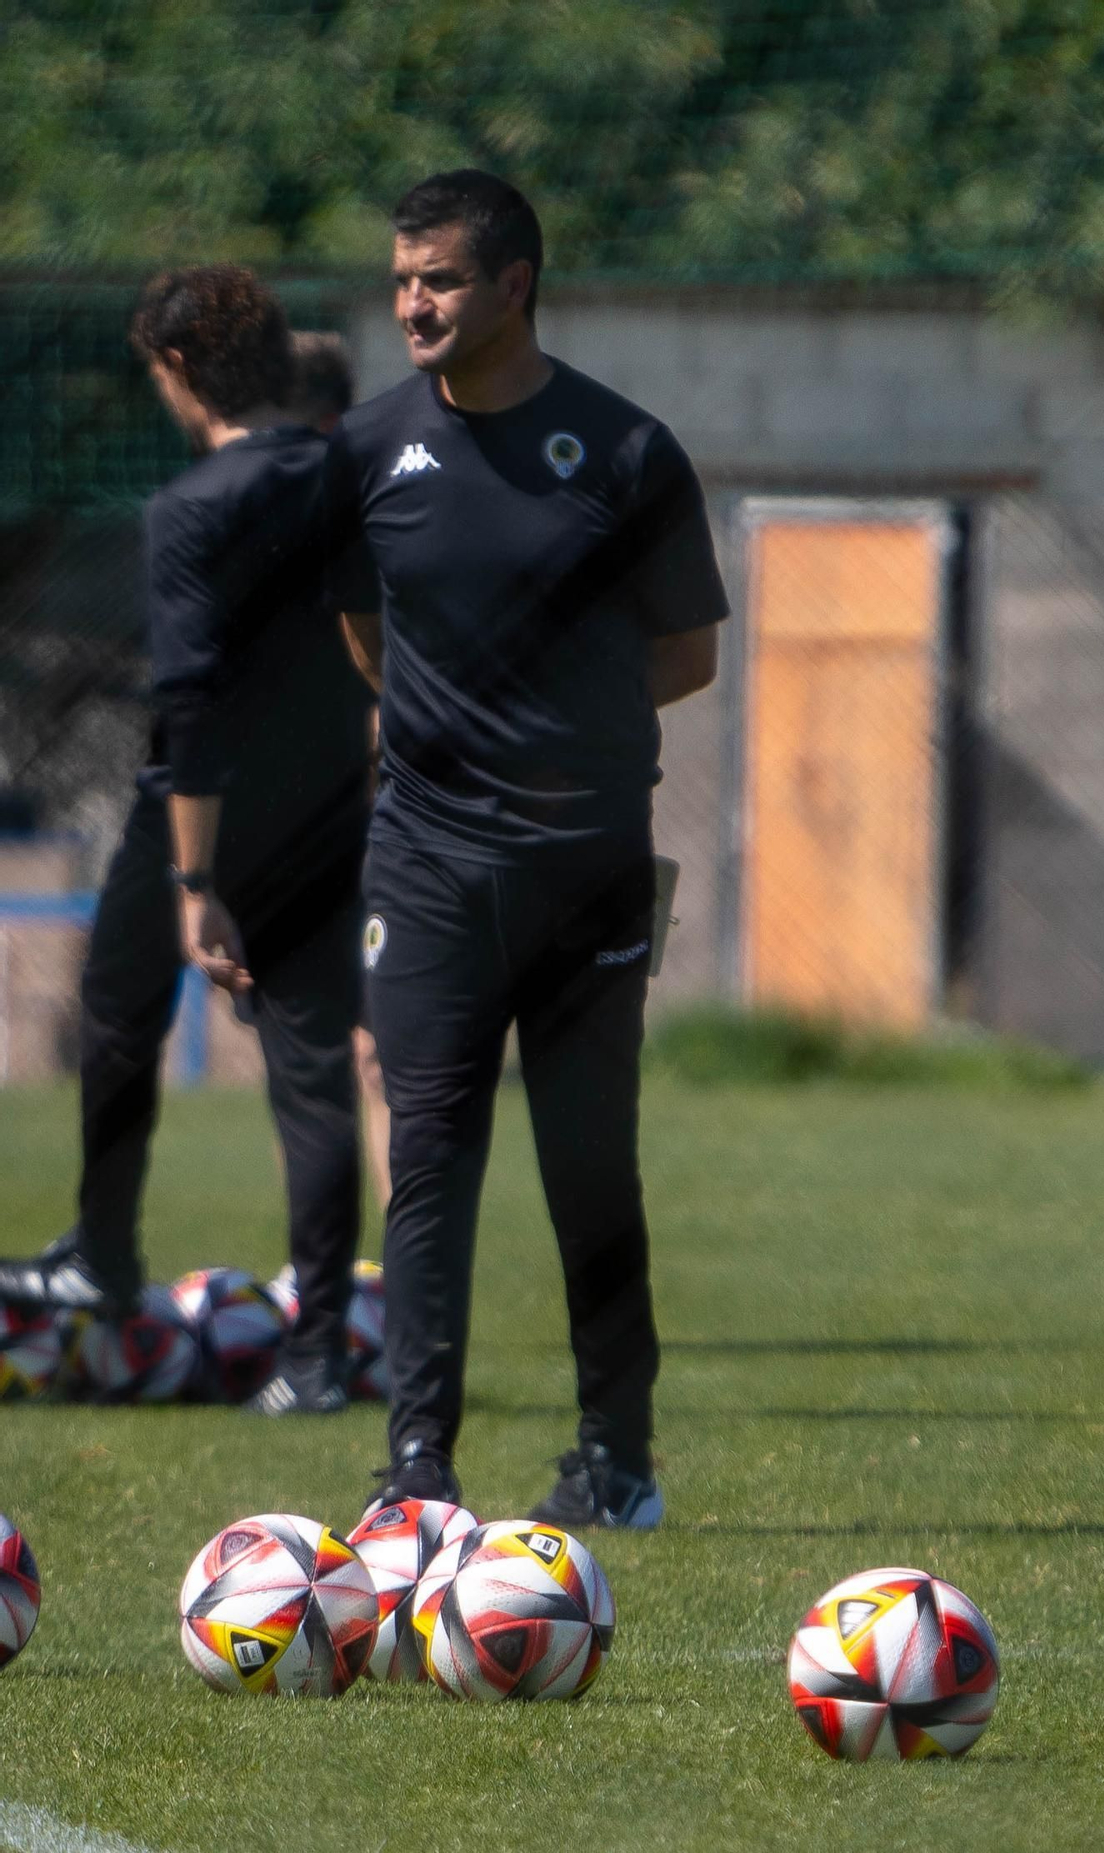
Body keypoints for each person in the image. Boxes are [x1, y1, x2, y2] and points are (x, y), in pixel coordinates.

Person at [329, 170, 728, 1527]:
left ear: (516, 284)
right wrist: (454, 733)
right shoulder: (370, 451)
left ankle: (617, 1458)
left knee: (587, 1164)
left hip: (587, 865)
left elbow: (688, 654)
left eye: (440, 278)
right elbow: (364, 636)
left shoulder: (626, 452)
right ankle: (415, 1469)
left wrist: (561, 730)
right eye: (401, 281)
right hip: (427, 863)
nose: (415, 305)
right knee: (430, 1155)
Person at [0, 268, 375, 1418]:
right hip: (330, 806)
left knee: (120, 1010)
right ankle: (317, 1354)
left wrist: (195, 879)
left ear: (176, 371)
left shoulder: (193, 508)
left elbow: (195, 700)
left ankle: (104, 1251)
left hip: (200, 811)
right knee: (311, 1074)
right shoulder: (352, 480)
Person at [289, 331, 393, 1217]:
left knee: (381, 1050)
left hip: (379, 818)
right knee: (332, 1047)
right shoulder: (256, 518)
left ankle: (403, 1276)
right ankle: (338, 1278)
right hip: (297, 818)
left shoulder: (377, 506)